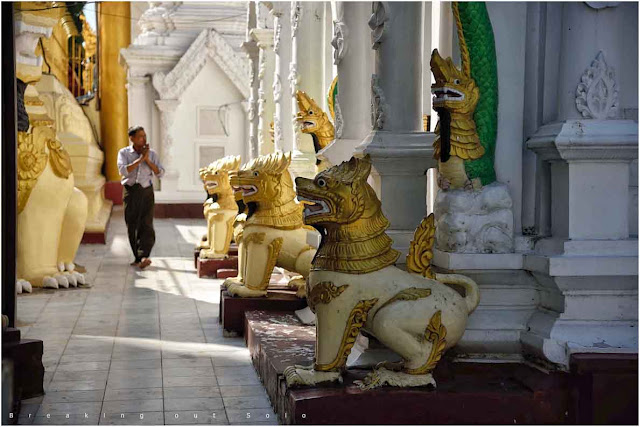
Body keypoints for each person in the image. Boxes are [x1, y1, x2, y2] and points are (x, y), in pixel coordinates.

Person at [117, 126, 165, 269]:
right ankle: (137, 257)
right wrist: (139, 160)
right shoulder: (124, 153)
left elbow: (160, 173)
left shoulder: (153, 154)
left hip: (146, 190)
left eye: (144, 136)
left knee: (146, 223)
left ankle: (145, 255)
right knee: (132, 223)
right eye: (140, 137)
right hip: (130, 191)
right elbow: (123, 170)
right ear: (131, 138)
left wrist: (148, 160)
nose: (144, 139)